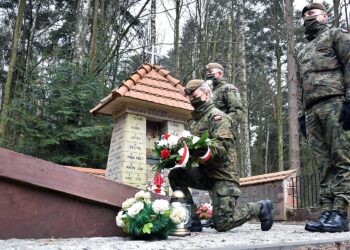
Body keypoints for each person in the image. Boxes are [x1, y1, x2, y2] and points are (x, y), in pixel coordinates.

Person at [168, 79, 274, 233]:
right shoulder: (196, 122)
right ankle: (191, 219)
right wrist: (178, 154)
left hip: (223, 176)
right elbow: (194, 153)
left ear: (206, 94)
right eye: (189, 97)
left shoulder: (218, 117)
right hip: (206, 173)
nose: (191, 100)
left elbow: (221, 148)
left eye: (194, 95)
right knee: (176, 175)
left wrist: (198, 147)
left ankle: (261, 207)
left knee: (223, 224)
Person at [297, 3, 350, 233]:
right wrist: (301, 116)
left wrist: (349, 101)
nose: (307, 18)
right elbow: (300, 85)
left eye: (311, 13)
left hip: (335, 102)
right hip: (312, 110)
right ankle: (327, 210)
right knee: (323, 164)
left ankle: (341, 212)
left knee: (342, 158)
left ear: (324, 16)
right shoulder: (303, 50)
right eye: (304, 15)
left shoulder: (336, 34)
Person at [205, 63, 243, 132]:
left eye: (210, 72)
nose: (207, 74)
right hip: (207, 132)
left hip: (222, 132)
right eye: (207, 72)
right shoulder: (207, 91)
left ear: (220, 73)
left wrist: (227, 129)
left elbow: (237, 110)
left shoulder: (228, 88)